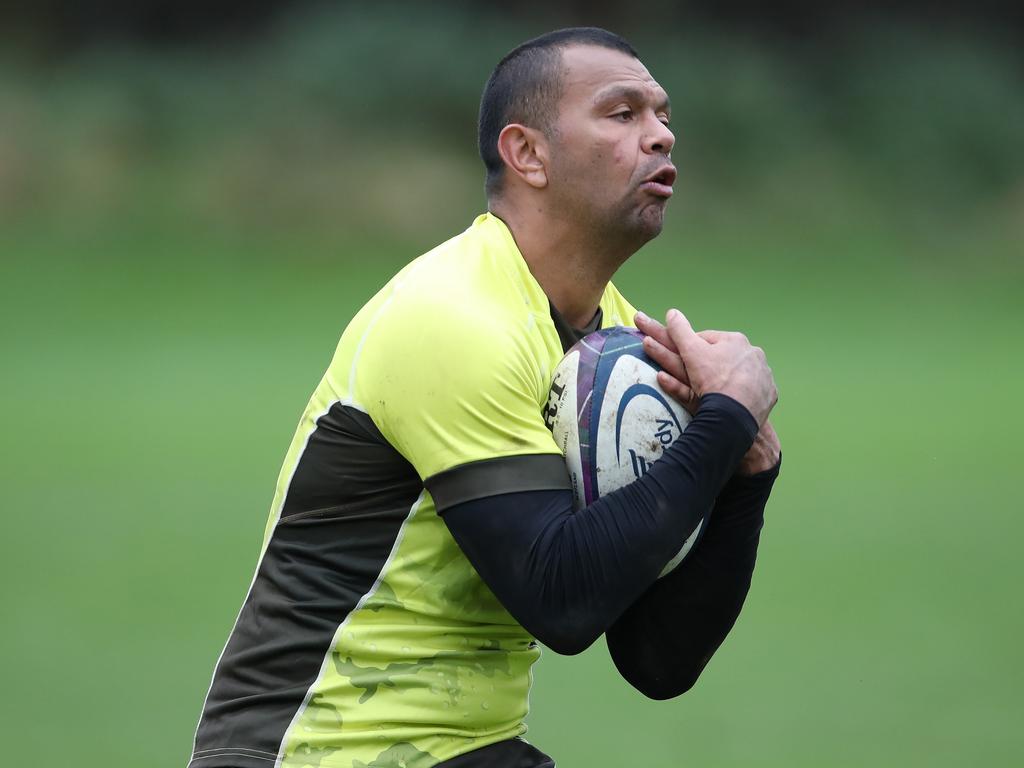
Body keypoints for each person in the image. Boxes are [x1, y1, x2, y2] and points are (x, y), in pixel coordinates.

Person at [187, 27, 781, 768]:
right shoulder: (453, 316)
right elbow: (561, 600)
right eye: (622, 113)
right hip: (314, 750)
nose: (660, 135)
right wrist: (721, 419)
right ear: (526, 153)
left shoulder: (612, 350)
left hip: (464, 752)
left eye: (663, 115)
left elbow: (656, 660)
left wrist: (746, 476)